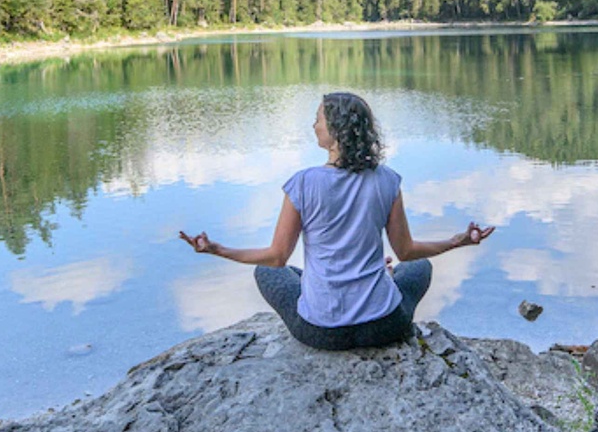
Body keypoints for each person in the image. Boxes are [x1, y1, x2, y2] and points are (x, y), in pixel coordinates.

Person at [178, 91, 494, 350]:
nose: (314, 124)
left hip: (320, 333)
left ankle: (366, 284)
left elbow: (275, 258)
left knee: (268, 272)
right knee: (420, 267)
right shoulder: (386, 180)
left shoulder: (303, 183)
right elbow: (407, 253)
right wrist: (459, 241)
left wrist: (217, 250)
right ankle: (379, 282)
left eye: (319, 119)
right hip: (384, 327)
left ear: (336, 131)